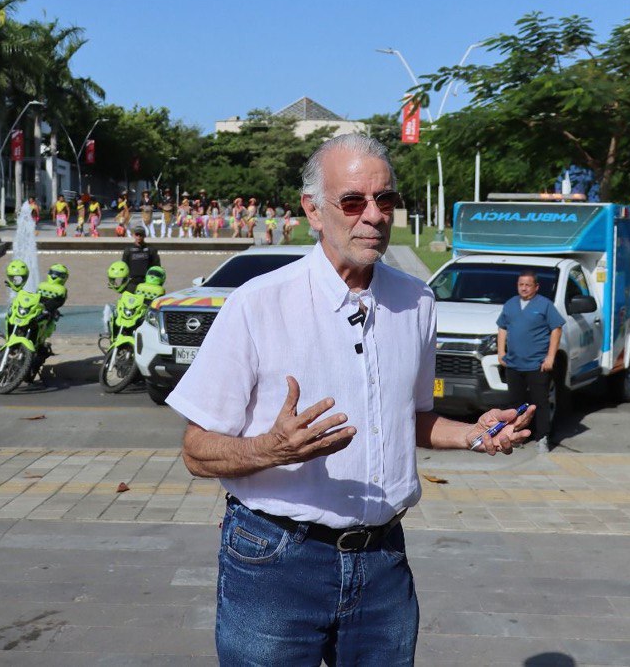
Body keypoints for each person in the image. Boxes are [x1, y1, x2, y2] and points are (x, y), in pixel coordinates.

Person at [168, 134, 533, 665]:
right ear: (313, 211)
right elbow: (196, 451)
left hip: (383, 564)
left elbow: (410, 418)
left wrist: (474, 433)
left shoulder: (417, 301)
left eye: (385, 199)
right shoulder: (257, 304)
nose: (374, 216)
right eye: (353, 201)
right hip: (275, 562)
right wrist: (271, 450)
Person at [496, 270, 565, 452]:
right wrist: (501, 352)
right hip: (514, 364)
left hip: (537, 364)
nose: (524, 288)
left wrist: (551, 357)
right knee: (514, 404)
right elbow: (502, 328)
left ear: (536, 287)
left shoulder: (545, 305)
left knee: (539, 403)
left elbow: (556, 329)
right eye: (521, 284)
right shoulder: (510, 304)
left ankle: (542, 437)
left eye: (528, 285)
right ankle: (515, 436)